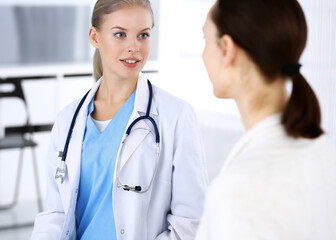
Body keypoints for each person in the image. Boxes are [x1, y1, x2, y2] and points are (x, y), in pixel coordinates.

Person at [31, 0, 208, 239]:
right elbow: (56, 213)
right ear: (95, 37)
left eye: (143, 35)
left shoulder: (176, 117)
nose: (134, 47)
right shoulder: (68, 121)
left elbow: (190, 224)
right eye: (120, 34)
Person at [196, 0, 336, 239]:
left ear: (227, 49)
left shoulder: (240, 191)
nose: (203, 54)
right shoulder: (325, 151)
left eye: (205, 40)